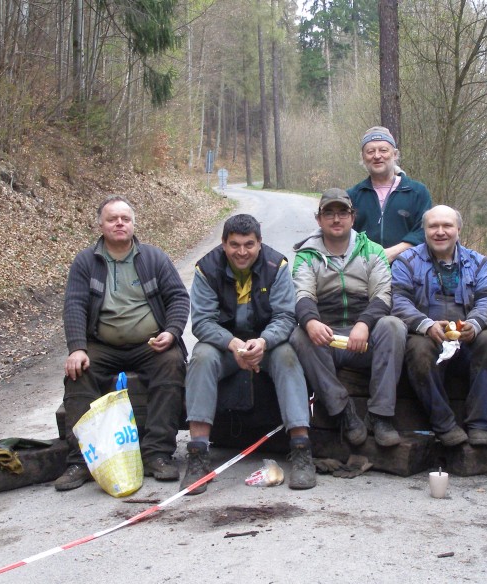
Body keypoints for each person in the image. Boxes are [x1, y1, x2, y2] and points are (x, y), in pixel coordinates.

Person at [55, 195, 189, 491]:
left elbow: (178, 297)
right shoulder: (86, 262)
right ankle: (81, 460)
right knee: (78, 374)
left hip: (149, 342)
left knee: (172, 365)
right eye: (112, 219)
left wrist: (172, 332)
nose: (119, 223)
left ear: (133, 224)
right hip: (102, 343)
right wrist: (77, 347)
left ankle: (157, 454)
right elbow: (74, 304)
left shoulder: (153, 258)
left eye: (125, 219)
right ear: (100, 224)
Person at [183, 214, 315, 493]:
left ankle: (301, 449)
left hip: (266, 345)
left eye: (249, 245)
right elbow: (202, 322)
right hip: (224, 346)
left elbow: (285, 316)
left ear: (259, 243)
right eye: (234, 245)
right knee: (201, 358)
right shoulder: (206, 269)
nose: (241, 252)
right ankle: (197, 454)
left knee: (288, 356)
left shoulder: (276, 266)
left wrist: (263, 342)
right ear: (223, 244)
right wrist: (232, 344)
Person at [290, 188, 406, 447]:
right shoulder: (306, 255)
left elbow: (383, 295)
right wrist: (311, 322)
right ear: (318, 219)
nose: (336, 219)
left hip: (364, 339)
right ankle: (343, 413)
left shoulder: (373, 251)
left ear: (353, 217)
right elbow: (302, 294)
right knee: (298, 334)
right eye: (328, 213)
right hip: (326, 340)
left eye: (342, 213)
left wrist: (364, 324)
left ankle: (380, 416)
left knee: (393, 326)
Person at [392, 205, 487, 447]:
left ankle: (478, 424)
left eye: (447, 226)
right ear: (424, 231)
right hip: (427, 340)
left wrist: (474, 325)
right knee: (418, 350)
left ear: (458, 229)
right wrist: (424, 324)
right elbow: (398, 300)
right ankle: (444, 425)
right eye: (433, 226)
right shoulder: (407, 262)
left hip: (466, 342)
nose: (440, 232)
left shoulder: (478, 262)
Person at [347, 126, 432, 262]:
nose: (377, 156)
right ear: (363, 157)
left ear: (395, 154)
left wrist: (392, 253)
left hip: (409, 273)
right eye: (370, 151)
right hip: (364, 272)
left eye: (383, 150)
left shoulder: (417, 192)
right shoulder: (352, 195)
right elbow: (344, 234)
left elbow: (425, 231)